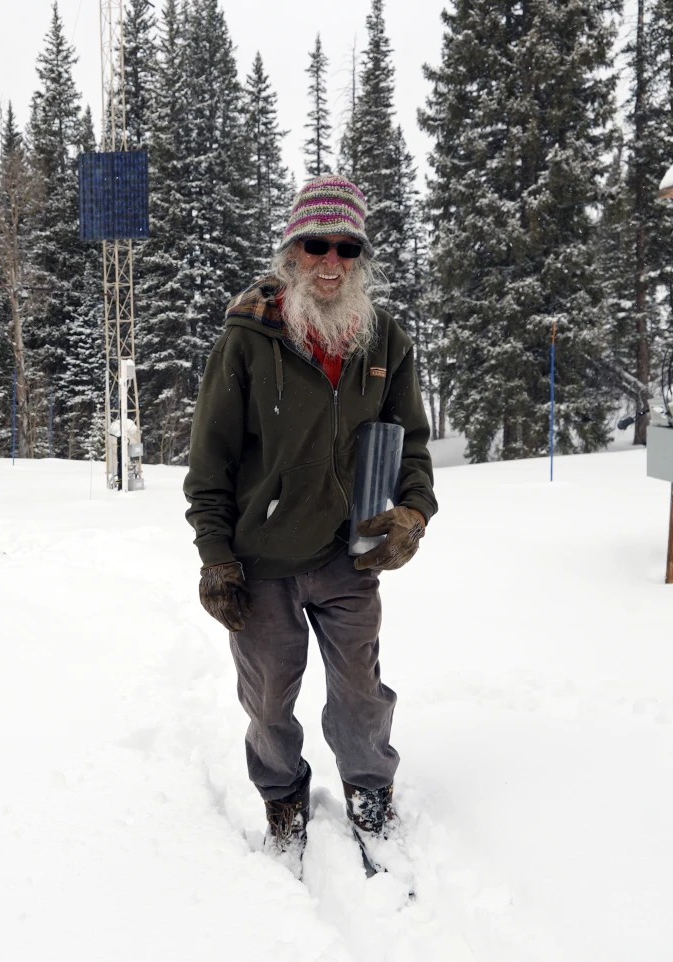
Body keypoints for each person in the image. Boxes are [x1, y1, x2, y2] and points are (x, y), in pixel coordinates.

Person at [182, 173, 437, 877]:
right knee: (268, 697)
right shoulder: (249, 336)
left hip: (349, 556)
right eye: (316, 245)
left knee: (359, 687)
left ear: (360, 257)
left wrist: (411, 513)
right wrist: (216, 558)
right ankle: (283, 796)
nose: (331, 263)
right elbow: (211, 461)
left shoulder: (384, 338)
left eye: (346, 248)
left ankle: (369, 790)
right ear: (292, 251)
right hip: (260, 559)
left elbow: (410, 443)